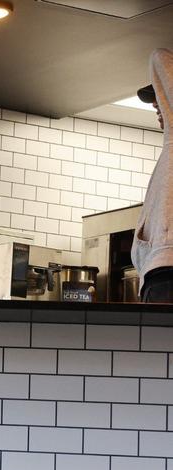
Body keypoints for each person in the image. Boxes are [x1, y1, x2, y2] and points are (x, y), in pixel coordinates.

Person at [133, 49, 172, 303]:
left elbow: (159, 57)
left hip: (167, 274)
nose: (156, 105)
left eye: (159, 97)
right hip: (158, 273)